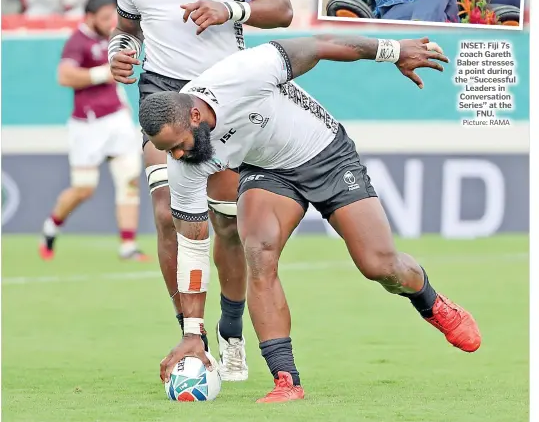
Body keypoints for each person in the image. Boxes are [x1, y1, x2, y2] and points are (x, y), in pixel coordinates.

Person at [142, 35, 482, 403]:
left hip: (326, 154)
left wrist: (394, 52)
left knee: (379, 265)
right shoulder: (184, 164)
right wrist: (193, 331)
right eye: (166, 150)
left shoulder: (244, 74)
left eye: (177, 144)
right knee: (258, 251)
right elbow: (193, 246)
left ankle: (430, 300)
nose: (175, 155)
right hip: (267, 169)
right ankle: (286, 380)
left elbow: (320, 45)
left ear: (195, 115)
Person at [107, 0, 293, 381]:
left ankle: (232, 333)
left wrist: (230, 9)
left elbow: (283, 9)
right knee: (168, 214)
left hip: (224, 96)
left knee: (228, 226)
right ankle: (192, 332)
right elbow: (126, 30)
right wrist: (120, 54)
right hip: (163, 95)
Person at [41, 0, 145, 261]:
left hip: (116, 120)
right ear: (88, 17)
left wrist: (122, 101)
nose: (109, 22)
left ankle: (127, 247)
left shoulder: (111, 37)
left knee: (129, 181)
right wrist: (103, 73)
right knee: (84, 189)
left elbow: (116, 75)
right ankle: (51, 226)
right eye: (103, 18)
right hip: (88, 126)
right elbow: (64, 76)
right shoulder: (77, 41)